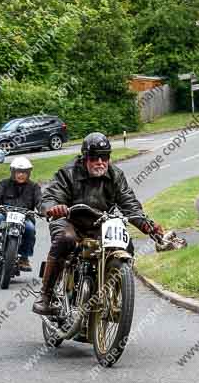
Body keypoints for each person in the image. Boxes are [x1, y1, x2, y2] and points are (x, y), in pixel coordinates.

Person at [33, 132, 163, 315]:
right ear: (85, 157)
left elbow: (129, 204)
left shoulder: (115, 175)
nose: (100, 162)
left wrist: (148, 226)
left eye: (105, 157)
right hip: (69, 220)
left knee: (124, 244)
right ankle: (46, 295)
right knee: (65, 239)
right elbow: (50, 197)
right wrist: (53, 208)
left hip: (100, 222)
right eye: (95, 157)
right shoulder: (68, 172)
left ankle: (113, 291)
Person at [0, 157, 42, 272]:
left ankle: (24, 258)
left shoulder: (34, 187)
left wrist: (44, 209)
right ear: (13, 172)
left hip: (25, 217)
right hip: (4, 216)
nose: (21, 175)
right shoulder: (4, 183)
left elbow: (40, 200)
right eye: (18, 172)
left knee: (30, 229)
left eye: (24, 172)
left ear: (29, 173)